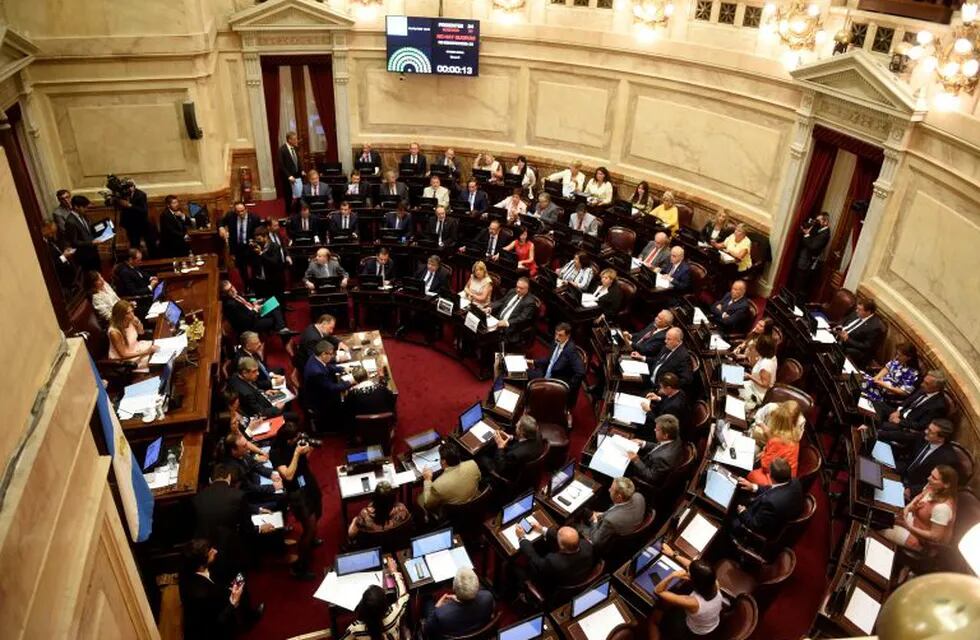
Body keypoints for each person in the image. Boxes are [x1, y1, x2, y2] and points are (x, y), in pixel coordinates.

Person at [192, 464, 276, 582]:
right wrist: (259, 528)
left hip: (205, 549)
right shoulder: (238, 496)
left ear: (210, 480)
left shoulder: (197, 498)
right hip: (230, 549)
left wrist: (257, 509)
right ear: (229, 477)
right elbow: (248, 529)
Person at [270, 421, 322, 580]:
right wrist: (297, 454)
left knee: (318, 511)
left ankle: (311, 539)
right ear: (288, 440)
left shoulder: (296, 442)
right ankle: (300, 567)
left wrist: (307, 450)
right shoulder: (276, 452)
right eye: (295, 438)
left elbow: (305, 460)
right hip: (296, 492)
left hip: (307, 481)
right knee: (309, 527)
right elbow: (289, 475)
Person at [180, 538, 249, 640]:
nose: (215, 551)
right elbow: (216, 624)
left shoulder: (193, 571)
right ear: (201, 561)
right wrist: (233, 603)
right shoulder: (201, 593)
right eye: (211, 551)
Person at [881, 465, 958, 551]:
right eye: (931, 475)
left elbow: (935, 536)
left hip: (919, 540)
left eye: (934, 478)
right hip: (910, 521)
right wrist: (908, 509)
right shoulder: (932, 486)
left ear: (946, 485)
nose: (928, 478)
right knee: (878, 515)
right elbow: (918, 498)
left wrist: (908, 526)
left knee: (878, 527)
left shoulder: (943, 508)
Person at [655, 551, 723, 638]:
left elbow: (658, 591)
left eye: (689, 573)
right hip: (712, 623)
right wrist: (673, 554)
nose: (688, 572)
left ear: (696, 582)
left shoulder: (693, 602)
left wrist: (673, 575)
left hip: (695, 632)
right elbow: (693, 566)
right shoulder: (714, 583)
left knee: (654, 619)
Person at [732, 457, 803, 540]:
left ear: (771, 476)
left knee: (731, 519)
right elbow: (772, 489)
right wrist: (753, 487)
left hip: (765, 531)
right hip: (779, 514)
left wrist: (742, 512)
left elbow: (755, 525)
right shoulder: (795, 481)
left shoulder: (771, 503)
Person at [341, 556, 409, 640]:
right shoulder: (394, 614)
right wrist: (394, 571)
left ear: (362, 605)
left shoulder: (355, 629)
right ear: (386, 605)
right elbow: (404, 596)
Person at [515, 524, 595, 596]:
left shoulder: (553, 562)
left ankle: (525, 596)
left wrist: (522, 539)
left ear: (561, 547)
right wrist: (543, 529)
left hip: (554, 588)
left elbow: (535, 561)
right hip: (578, 576)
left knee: (515, 568)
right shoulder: (587, 545)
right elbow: (565, 539)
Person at [422, 567, 495, 640]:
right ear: (477, 585)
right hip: (479, 634)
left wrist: (436, 607)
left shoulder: (440, 614)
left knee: (428, 601)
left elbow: (427, 630)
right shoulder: (488, 597)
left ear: (453, 587)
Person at [580, 477, 646, 555]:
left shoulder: (610, 520)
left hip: (604, 540)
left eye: (611, 489)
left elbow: (595, 541)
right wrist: (603, 514)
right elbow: (617, 511)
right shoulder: (639, 497)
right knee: (585, 511)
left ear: (619, 497)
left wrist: (594, 521)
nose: (609, 489)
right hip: (625, 523)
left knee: (574, 526)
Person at [219, 432, 282, 507]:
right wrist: (272, 487)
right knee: (282, 497)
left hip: (256, 483)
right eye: (244, 446)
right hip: (250, 498)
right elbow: (249, 488)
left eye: (246, 444)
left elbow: (254, 464)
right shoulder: (233, 469)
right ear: (234, 451)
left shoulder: (242, 453)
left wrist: (270, 474)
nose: (248, 447)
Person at [746, 401, 801, 486]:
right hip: (788, 478)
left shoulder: (778, 440)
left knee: (751, 475)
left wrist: (764, 453)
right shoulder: (795, 434)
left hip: (777, 481)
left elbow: (765, 466)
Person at [419, 442, 482, 515]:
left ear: (443, 461)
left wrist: (427, 480)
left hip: (455, 513)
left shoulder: (438, 485)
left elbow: (428, 504)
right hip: (475, 503)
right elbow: (479, 479)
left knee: (420, 499)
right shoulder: (472, 464)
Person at [302, 340, 353, 429]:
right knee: (349, 400)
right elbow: (331, 388)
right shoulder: (316, 372)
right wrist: (350, 382)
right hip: (320, 400)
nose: (332, 356)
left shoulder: (315, 357)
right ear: (323, 354)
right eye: (330, 354)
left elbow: (327, 366)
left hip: (319, 389)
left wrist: (343, 369)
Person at [901, 419, 959, 497]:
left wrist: (912, 491)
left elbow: (938, 484)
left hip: (913, 491)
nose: (926, 431)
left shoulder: (948, 459)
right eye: (928, 428)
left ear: (941, 438)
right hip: (901, 475)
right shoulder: (926, 438)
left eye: (930, 431)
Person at [627, 414, 684, 486]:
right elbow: (660, 446)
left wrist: (637, 461)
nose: (654, 430)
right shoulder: (675, 437)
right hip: (649, 461)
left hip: (640, 474)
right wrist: (643, 443)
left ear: (665, 435)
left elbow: (651, 477)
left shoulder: (663, 458)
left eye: (657, 430)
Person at [480, 414, 544, 477]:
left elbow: (501, 468)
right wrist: (511, 437)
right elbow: (524, 440)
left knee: (481, 456)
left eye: (517, 425)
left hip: (507, 470)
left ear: (522, 432)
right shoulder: (537, 434)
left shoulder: (515, 454)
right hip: (524, 457)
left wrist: (500, 446)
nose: (516, 424)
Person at [220, 280, 289, 335]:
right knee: (275, 318)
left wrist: (254, 302)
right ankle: (281, 328)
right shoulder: (230, 305)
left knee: (272, 301)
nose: (232, 290)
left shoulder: (235, 295)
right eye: (229, 290)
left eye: (232, 287)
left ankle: (280, 328)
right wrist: (255, 310)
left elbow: (246, 302)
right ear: (225, 294)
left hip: (254, 313)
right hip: (251, 323)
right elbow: (245, 320)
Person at [529, 323, 585, 389]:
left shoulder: (571, 350)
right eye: (556, 334)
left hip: (554, 382)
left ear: (568, 336)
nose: (556, 337)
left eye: (560, 335)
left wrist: (567, 387)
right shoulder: (556, 342)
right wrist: (533, 361)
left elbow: (580, 372)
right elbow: (549, 360)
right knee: (519, 374)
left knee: (527, 383)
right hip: (544, 373)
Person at [834, 298, 885, 368]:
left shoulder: (875, 327)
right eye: (857, 308)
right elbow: (844, 320)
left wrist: (847, 339)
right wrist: (839, 326)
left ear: (868, 312)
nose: (856, 311)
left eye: (860, 310)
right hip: (838, 337)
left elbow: (866, 346)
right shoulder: (857, 313)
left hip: (852, 349)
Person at [107, 300, 157, 369]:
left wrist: (138, 323)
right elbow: (123, 355)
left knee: (159, 347)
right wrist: (146, 352)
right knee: (156, 361)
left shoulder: (131, 320)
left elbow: (141, 332)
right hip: (127, 359)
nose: (132, 315)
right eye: (128, 313)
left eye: (132, 311)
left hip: (137, 347)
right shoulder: (114, 332)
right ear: (120, 315)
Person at [792, 212, 830, 298]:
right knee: (796, 283)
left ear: (825, 221)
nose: (816, 222)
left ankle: (793, 305)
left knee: (799, 286)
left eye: (818, 221)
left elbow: (812, 247)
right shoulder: (818, 229)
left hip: (807, 263)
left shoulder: (825, 234)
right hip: (804, 261)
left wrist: (806, 234)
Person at [639, 373, 689, 438]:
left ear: (669, 388)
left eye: (662, 387)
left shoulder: (673, 407)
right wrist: (658, 398)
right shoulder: (680, 392)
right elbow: (668, 401)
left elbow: (661, 424)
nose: (661, 390)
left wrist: (648, 411)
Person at [489, 277, 537, 344]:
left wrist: (507, 322)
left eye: (521, 288)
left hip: (511, 328)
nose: (518, 290)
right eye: (517, 287)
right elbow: (501, 301)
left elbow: (522, 318)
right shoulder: (512, 291)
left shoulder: (530, 302)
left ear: (527, 289)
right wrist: (490, 307)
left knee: (488, 340)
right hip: (497, 320)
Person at [220, 201, 261, 277]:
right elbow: (220, 221)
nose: (241, 213)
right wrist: (221, 227)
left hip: (251, 247)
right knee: (242, 270)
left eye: (242, 211)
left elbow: (259, 232)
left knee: (255, 269)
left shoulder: (254, 218)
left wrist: (256, 242)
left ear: (246, 209)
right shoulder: (230, 216)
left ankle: (255, 285)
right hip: (238, 248)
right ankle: (246, 286)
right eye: (238, 212)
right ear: (235, 211)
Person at [63, 195, 100, 272]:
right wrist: (91, 242)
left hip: (93, 251)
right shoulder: (70, 222)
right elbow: (74, 242)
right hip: (84, 255)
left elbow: (88, 230)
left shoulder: (83, 215)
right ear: (76, 207)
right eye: (84, 207)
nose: (86, 209)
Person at [740, 334, 777, 408]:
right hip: (752, 386)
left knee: (731, 387)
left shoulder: (765, 364)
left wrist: (749, 376)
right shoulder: (771, 356)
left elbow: (765, 384)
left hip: (757, 393)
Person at [248, 226, 285, 299]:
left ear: (266, 237)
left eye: (259, 239)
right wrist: (250, 249)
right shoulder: (256, 247)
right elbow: (251, 263)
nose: (258, 241)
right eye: (256, 239)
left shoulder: (275, 247)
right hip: (260, 282)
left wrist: (261, 253)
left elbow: (274, 262)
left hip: (273, 282)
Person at [114, 179, 151, 251]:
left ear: (134, 186)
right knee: (133, 244)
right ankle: (135, 258)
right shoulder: (123, 194)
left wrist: (130, 205)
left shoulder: (141, 195)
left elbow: (143, 210)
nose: (128, 189)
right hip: (129, 224)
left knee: (148, 243)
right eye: (126, 187)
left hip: (141, 223)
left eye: (130, 187)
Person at [42, 220, 78, 292]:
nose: (53, 234)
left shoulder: (50, 240)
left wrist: (66, 251)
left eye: (54, 232)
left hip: (69, 274)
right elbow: (54, 263)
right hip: (61, 279)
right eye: (52, 232)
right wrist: (64, 256)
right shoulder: (43, 246)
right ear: (44, 229)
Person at [278, 131, 303, 205]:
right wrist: (289, 176)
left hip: (297, 175)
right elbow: (281, 165)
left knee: (299, 193)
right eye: (294, 139)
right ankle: (288, 211)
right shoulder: (282, 150)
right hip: (287, 177)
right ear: (289, 140)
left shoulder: (295, 148)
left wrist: (301, 170)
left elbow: (298, 161)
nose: (296, 140)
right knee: (288, 195)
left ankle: (297, 209)